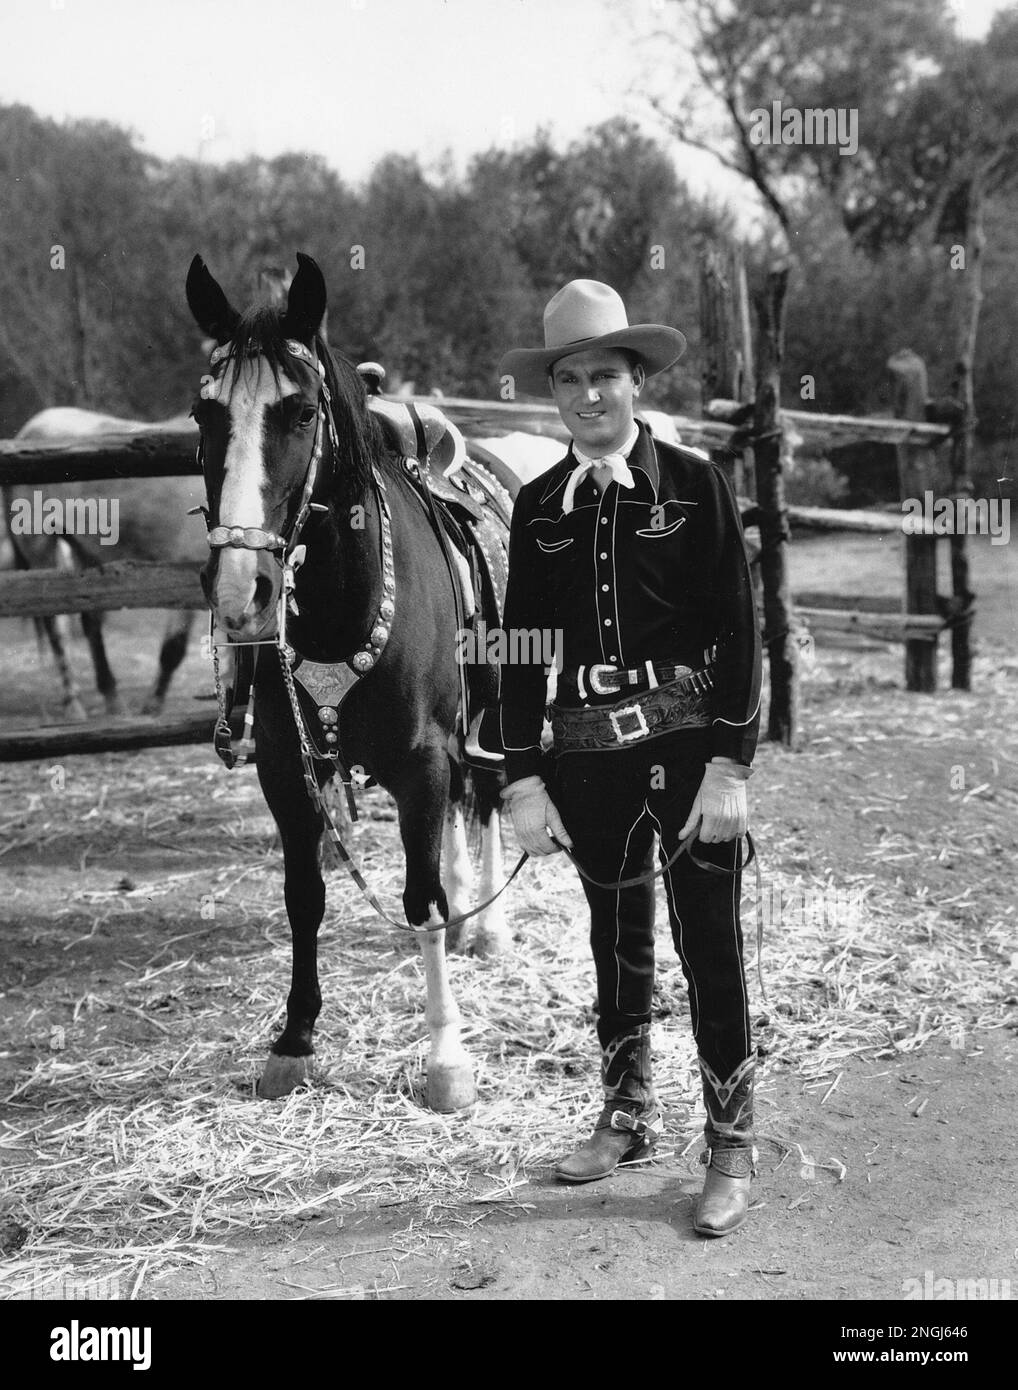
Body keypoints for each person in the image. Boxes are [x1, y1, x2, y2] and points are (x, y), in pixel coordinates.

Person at [497, 280, 762, 1237]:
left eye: (605, 375)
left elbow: (740, 631)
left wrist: (730, 768)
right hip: (585, 756)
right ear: (553, 392)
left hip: (688, 752)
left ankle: (730, 1141)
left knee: (708, 944)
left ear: (636, 379)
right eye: (569, 380)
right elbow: (519, 647)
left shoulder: (694, 484)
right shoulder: (539, 508)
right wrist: (522, 778)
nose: (588, 396)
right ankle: (627, 1113)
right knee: (615, 940)